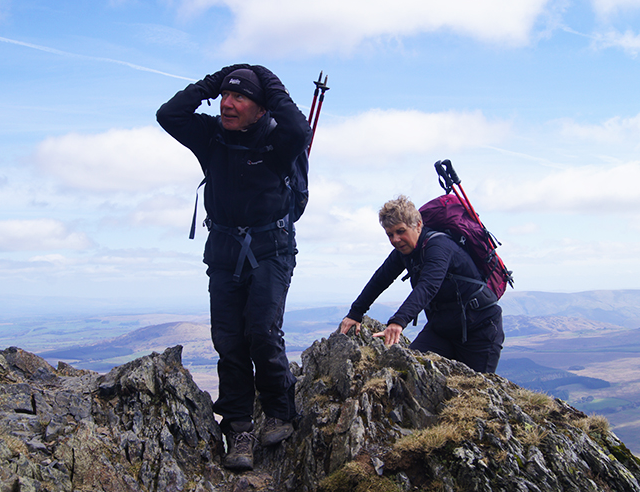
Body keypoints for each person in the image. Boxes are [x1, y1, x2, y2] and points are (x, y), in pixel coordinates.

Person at [156, 64, 312, 471]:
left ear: (260, 109)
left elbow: (300, 129)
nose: (228, 103)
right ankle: (240, 428)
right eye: (225, 95)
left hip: (272, 248)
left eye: (240, 97)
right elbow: (168, 115)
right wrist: (216, 79)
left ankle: (280, 410)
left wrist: (266, 78)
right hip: (223, 249)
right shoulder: (211, 136)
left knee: (261, 330)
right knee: (229, 340)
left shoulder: (277, 139)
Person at [339, 195, 504, 373]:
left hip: (479, 330)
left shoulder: (439, 246)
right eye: (390, 234)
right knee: (405, 371)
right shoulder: (404, 251)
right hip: (442, 328)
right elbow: (381, 279)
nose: (395, 239)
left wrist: (398, 321)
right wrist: (355, 313)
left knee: (475, 393)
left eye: (400, 231)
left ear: (418, 225)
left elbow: (428, 285)